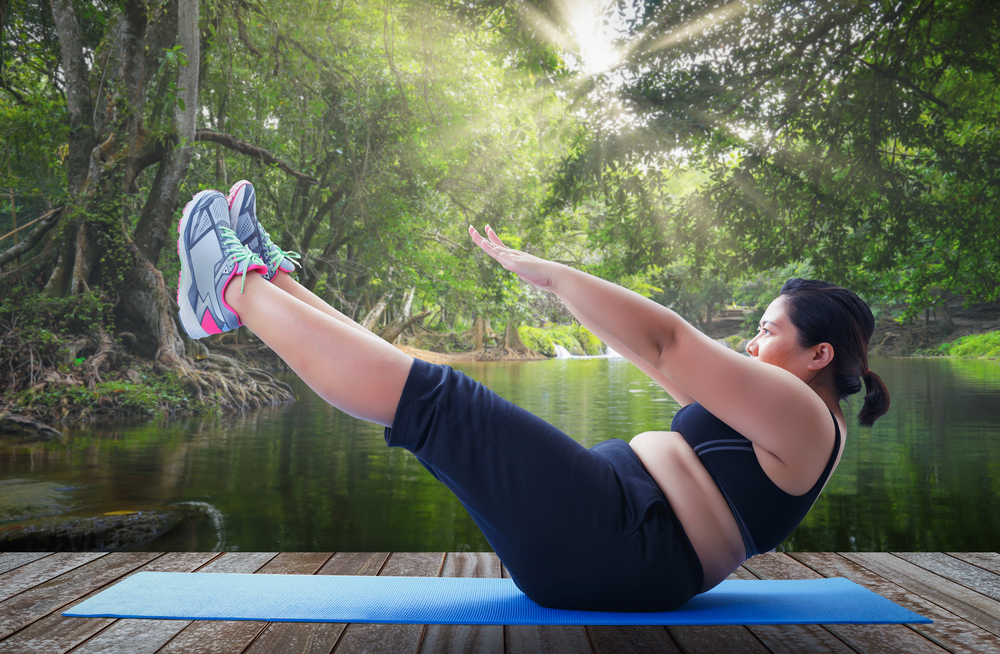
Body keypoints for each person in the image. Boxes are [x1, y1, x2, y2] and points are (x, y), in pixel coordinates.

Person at [176, 183, 890, 612]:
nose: (751, 344)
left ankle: (230, 293)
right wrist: (558, 284)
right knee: (434, 398)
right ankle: (267, 279)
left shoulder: (805, 418)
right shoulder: (782, 417)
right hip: (614, 532)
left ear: (818, 354)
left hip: (621, 545)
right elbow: (650, 354)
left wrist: (555, 274)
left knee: (440, 402)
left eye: (766, 331)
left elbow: (670, 339)